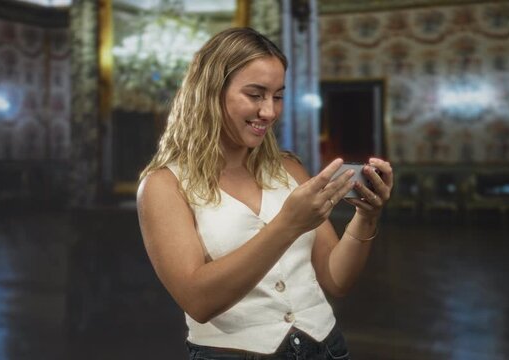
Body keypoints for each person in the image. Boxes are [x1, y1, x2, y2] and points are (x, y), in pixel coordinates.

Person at [136, 27, 393, 359]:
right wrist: (288, 224)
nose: (269, 112)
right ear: (211, 92)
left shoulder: (288, 169)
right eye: (255, 95)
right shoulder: (164, 185)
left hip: (326, 348)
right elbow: (198, 301)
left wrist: (366, 217)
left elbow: (336, 279)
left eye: (277, 95)